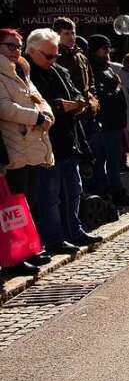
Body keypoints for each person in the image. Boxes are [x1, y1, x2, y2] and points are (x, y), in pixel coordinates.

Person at [26, 28, 102, 254]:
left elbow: (77, 92)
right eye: (48, 56)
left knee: (74, 189)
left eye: (56, 55)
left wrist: (79, 102)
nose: (53, 60)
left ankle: (74, 230)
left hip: (70, 139)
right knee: (51, 195)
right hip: (47, 143)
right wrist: (60, 105)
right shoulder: (29, 75)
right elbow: (37, 105)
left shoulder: (59, 70)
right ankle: (54, 238)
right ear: (32, 52)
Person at [0, 28, 55, 273]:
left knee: (27, 203)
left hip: (31, 144)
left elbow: (38, 97)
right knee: (13, 207)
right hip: (14, 145)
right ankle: (14, 258)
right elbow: (4, 108)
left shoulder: (22, 68)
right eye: (10, 46)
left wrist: (47, 113)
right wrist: (36, 117)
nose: (16, 51)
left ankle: (28, 249)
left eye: (18, 46)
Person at [87, 35, 129, 207]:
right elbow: (100, 96)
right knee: (104, 161)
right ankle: (108, 193)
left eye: (108, 48)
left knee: (115, 160)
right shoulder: (93, 69)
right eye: (104, 49)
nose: (107, 52)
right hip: (105, 123)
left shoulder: (106, 67)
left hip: (115, 121)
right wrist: (116, 89)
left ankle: (115, 191)